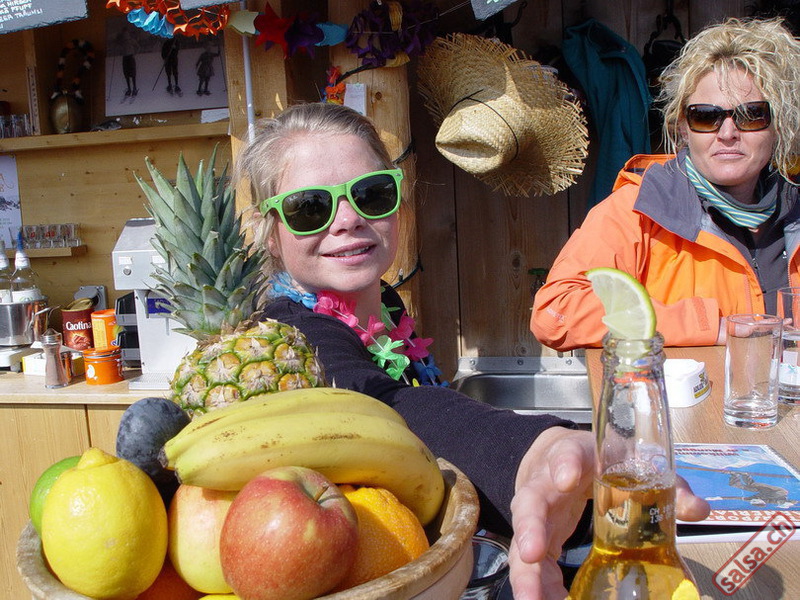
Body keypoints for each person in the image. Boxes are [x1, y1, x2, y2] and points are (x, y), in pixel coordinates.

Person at [237, 102, 710, 599]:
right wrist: (533, 449)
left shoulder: (385, 306)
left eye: (371, 194)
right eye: (310, 208)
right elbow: (376, 405)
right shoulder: (289, 339)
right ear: (271, 234)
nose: (349, 219)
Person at [531, 17, 800, 352]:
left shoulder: (795, 211)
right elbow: (556, 312)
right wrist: (710, 326)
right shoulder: (638, 210)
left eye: (751, 114)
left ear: (778, 125)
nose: (727, 133)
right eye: (706, 116)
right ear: (683, 128)